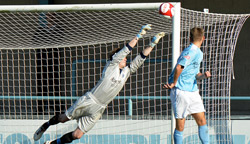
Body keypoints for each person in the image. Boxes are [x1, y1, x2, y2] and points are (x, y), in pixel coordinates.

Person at [33, 24, 165, 144]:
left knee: (77, 135)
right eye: (124, 57)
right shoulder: (111, 65)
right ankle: (46, 125)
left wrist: (152, 44)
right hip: (90, 100)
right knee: (63, 119)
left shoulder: (126, 71)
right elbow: (126, 50)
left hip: (100, 108)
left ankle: (52, 143)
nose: (126, 58)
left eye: (126, 58)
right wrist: (138, 36)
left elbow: (140, 59)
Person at [162, 27, 211, 144]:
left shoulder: (199, 53)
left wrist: (203, 76)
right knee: (181, 125)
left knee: (202, 121)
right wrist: (174, 83)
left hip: (193, 91)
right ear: (203, 38)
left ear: (189, 38)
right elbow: (179, 67)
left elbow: (195, 74)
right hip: (181, 91)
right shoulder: (190, 51)